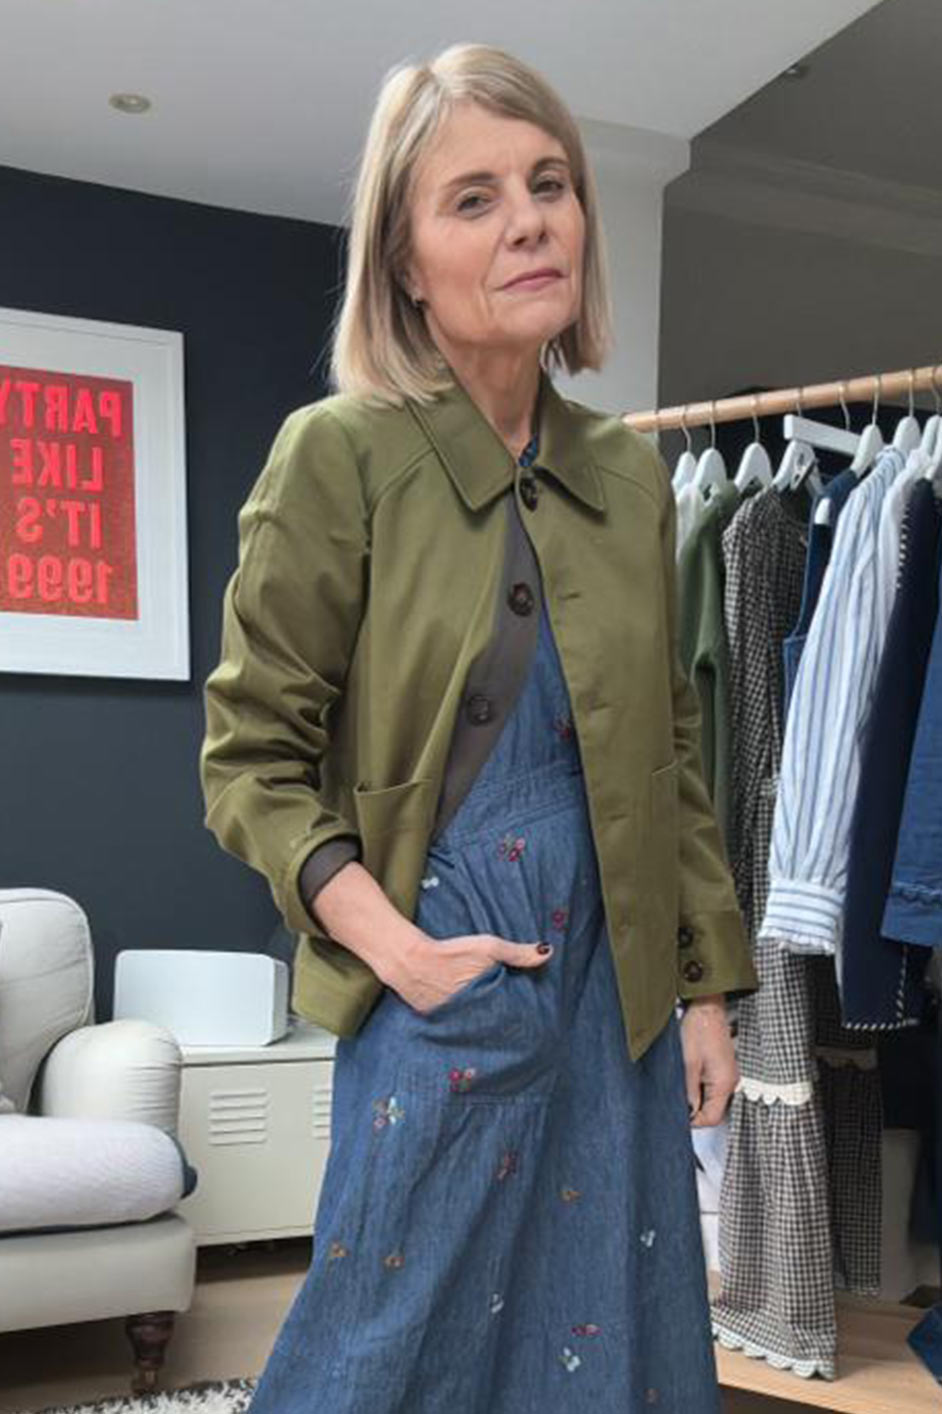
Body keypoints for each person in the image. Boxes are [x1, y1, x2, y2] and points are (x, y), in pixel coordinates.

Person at [200, 41, 758, 1414]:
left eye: (549, 184)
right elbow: (250, 761)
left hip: (617, 992)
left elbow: (671, 758)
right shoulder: (339, 455)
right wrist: (398, 951)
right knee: (381, 1349)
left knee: (603, 1346)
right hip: (439, 972)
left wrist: (701, 992)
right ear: (403, 260)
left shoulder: (627, 477)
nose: (529, 223)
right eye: (474, 198)